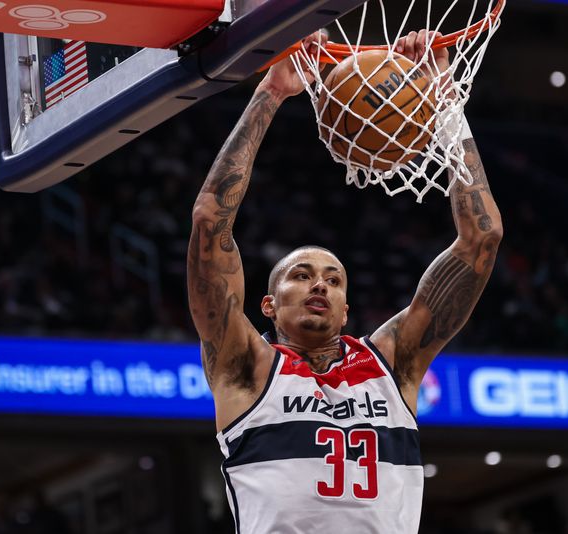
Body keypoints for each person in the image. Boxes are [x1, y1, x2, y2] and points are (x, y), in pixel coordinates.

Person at [187, 29, 502, 533]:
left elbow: (482, 239)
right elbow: (210, 219)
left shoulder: (392, 363)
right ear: (267, 305)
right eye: (302, 275)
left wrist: (444, 99)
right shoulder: (245, 366)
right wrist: (270, 93)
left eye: (334, 280)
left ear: (346, 309)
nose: (320, 286)